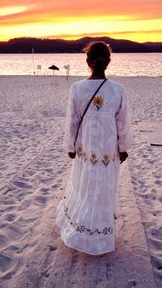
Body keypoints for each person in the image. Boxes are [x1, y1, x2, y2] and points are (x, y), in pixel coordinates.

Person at [55, 41, 132, 255]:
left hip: (85, 149)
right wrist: (124, 148)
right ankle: (100, 235)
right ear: (108, 61)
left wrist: (70, 146)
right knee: (104, 189)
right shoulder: (118, 89)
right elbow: (123, 123)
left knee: (83, 185)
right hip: (108, 151)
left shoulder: (77, 89)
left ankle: (81, 231)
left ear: (88, 62)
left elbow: (72, 121)